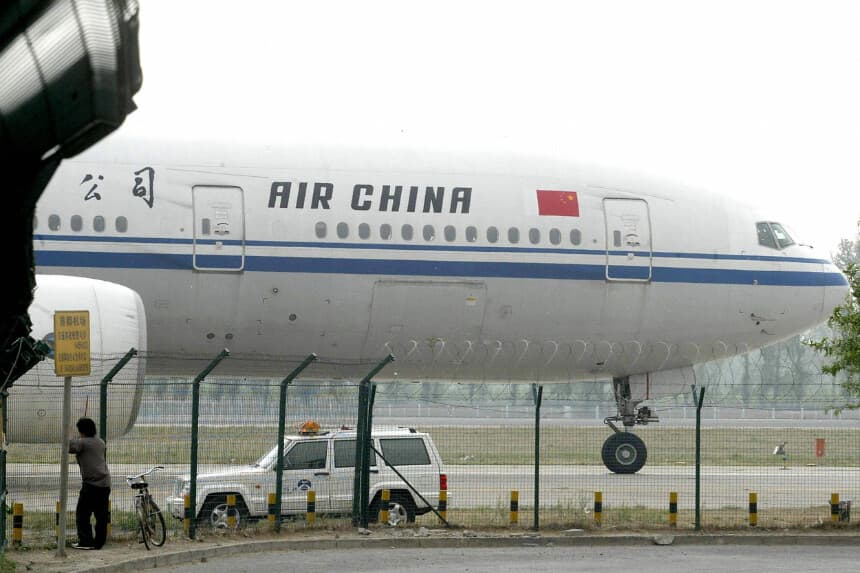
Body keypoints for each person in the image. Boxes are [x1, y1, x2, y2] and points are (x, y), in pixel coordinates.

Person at [68, 417, 111, 550]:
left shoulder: (83, 443)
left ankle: (86, 541)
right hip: (105, 483)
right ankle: (99, 542)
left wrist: (69, 436)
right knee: (101, 515)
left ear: (82, 430)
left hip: (91, 484)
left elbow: (70, 447)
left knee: (82, 514)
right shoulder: (100, 442)